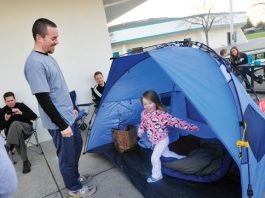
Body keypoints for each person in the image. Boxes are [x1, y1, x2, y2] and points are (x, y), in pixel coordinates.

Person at [24, 18, 96, 197]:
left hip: (68, 116)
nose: (57, 41)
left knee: (77, 146)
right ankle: (74, 189)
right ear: (39, 38)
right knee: (66, 157)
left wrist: (71, 107)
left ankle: (75, 176)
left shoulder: (48, 57)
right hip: (59, 123)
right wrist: (62, 125)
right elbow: (43, 98)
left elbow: (60, 88)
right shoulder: (34, 64)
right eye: (53, 38)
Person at [137, 90, 199, 183]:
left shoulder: (162, 115)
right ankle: (181, 158)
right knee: (167, 153)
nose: (147, 106)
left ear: (156, 102)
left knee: (154, 158)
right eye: (145, 104)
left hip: (162, 140)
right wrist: (141, 129)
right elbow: (143, 122)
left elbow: (177, 122)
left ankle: (157, 175)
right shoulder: (144, 113)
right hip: (154, 140)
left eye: (150, 103)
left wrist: (190, 127)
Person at [0, 92, 37, 174]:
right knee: (16, 135)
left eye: (12, 100)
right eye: (8, 101)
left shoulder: (21, 105)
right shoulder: (2, 111)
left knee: (16, 123)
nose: (10, 102)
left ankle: (9, 144)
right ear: (5, 102)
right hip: (15, 136)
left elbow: (34, 117)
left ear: (15, 99)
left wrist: (21, 113)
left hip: (26, 130)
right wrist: (6, 120)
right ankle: (25, 162)